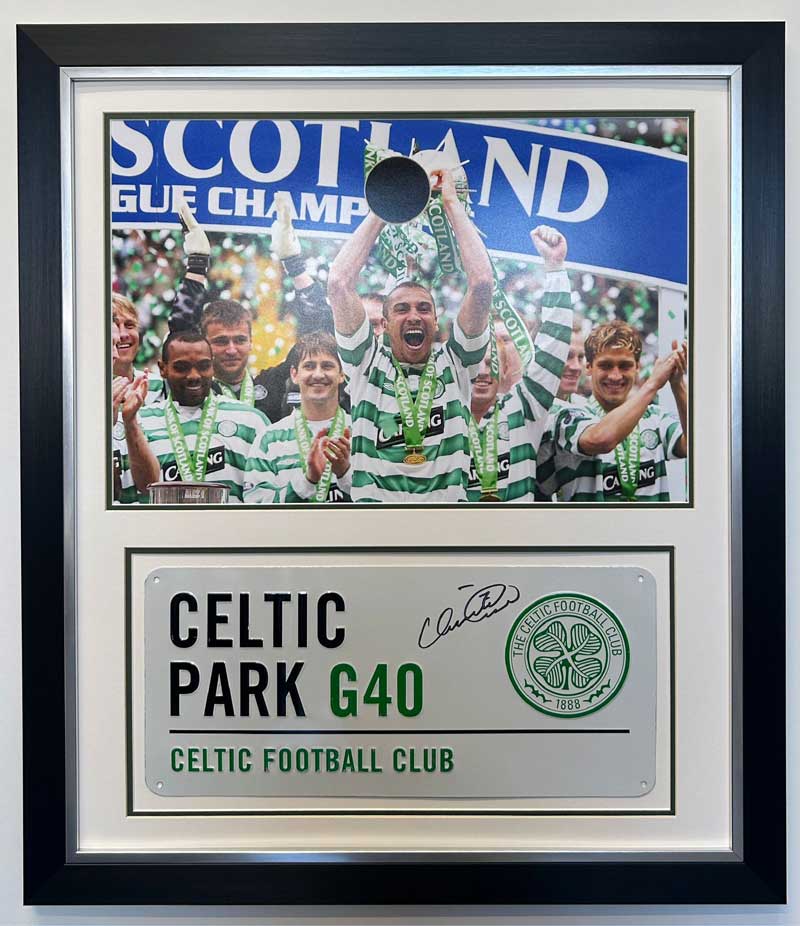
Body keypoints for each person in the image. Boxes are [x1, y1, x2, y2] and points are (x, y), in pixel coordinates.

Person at [327, 167, 493, 503]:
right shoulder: (366, 362)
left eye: (423, 308)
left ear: (436, 320)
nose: (414, 316)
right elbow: (338, 283)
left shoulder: (457, 362)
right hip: (376, 523)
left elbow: (482, 284)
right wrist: (385, 205)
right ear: (385, 323)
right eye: (402, 309)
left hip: (445, 525)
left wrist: (451, 203)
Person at [169, 198, 348, 421]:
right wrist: (197, 264)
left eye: (240, 340)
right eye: (221, 341)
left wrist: (294, 264)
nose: (232, 350)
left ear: (251, 342)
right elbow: (178, 338)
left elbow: (322, 334)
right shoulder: (194, 388)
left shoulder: (273, 384)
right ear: (204, 345)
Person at [466, 226, 573, 502]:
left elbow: (554, 344)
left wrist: (555, 268)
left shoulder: (523, 407)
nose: (482, 372)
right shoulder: (445, 415)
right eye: (475, 363)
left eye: (491, 362)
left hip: (515, 530)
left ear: (504, 368)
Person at [536, 320, 688, 502]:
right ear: (589, 367)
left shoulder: (655, 417)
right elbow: (601, 439)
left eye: (625, 366)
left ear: (637, 367)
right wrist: (653, 384)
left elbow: (693, 446)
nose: (615, 376)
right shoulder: (566, 413)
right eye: (606, 366)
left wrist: (677, 384)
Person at [136, 331, 275, 503]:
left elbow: (268, 496)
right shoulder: (141, 424)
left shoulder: (251, 420)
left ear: (212, 366)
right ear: (163, 369)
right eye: (182, 367)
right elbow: (131, 496)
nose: (194, 376)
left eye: (203, 366)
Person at [251, 332, 352, 503]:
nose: (318, 374)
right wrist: (307, 482)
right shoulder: (268, 439)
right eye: (309, 366)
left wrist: (345, 474)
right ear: (294, 374)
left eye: (327, 366)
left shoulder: (361, 432)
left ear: (342, 374)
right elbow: (255, 505)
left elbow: (381, 498)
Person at [110, 320, 160, 503]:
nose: (116, 354)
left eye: (116, 345)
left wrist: (130, 420)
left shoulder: (157, 388)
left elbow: (150, 485)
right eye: (110, 345)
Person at [111, 292, 165, 403]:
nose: (123, 335)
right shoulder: (88, 388)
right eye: (115, 326)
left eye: (129, 325)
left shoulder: (159, 386)